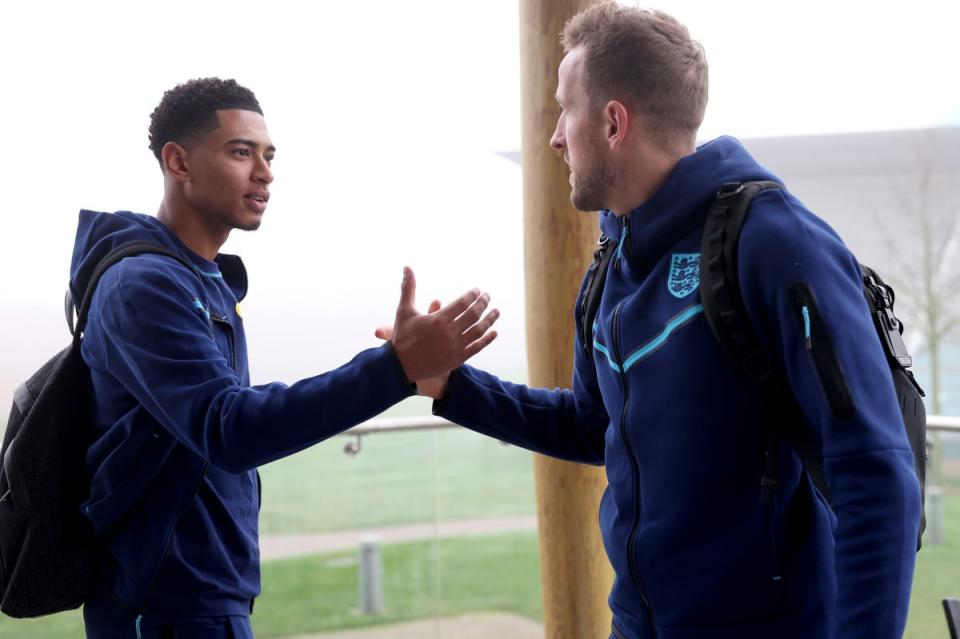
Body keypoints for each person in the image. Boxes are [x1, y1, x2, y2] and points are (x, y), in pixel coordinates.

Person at [392, 4, 921, 638]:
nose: (555, 136)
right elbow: (594, 427)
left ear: (613, 122)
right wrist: (452, 385)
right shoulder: (610, 267)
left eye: (565, 109)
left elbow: (876, 473)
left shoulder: (773, 242)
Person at [74, 77, 499, 638]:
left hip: (200, 599)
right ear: (178, 161)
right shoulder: (145, 286)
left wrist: (405, 372)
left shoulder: (200, 280)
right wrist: (394, 367)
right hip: (163, 609)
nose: (265, 172)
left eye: (269, 155)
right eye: (240, 152)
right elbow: (230, 429)